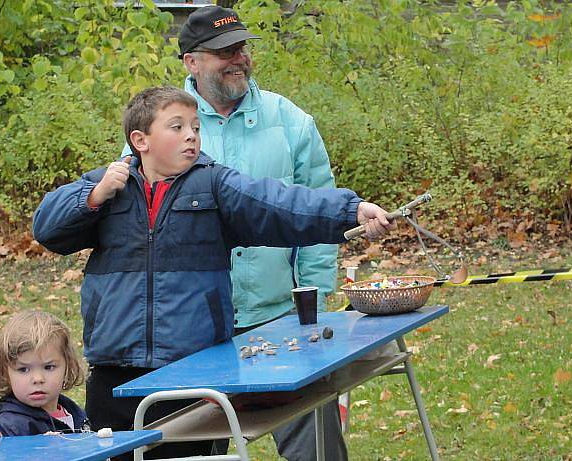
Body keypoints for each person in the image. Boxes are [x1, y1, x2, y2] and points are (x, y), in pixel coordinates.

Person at [34, 86, 394, 460]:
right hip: (114, 369)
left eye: (195, 126)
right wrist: (94, 195)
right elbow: (47, 228)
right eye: (176, 127)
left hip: (192, 368)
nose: (191, 135)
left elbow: (281, 205)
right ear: (139, 140)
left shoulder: (214, 184)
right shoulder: (110, 186)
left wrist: (350, 211)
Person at [178, 6, 347, 460]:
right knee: (195, 449)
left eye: (242, 47)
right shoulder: (164, 124)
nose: (238, 58)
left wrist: (313, 299)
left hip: (279, 315)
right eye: (223, 51)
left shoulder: (289, 119)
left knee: (317, 447)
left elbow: (320, 212)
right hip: (195, 324)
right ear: (191, 62)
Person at [0, 310, 88, 439]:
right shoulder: (9, 428)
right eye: (23, 369)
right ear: (5, 373)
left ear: (68, 366)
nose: (38, 379)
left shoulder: (73, 411)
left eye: (49, 367)